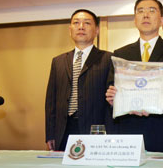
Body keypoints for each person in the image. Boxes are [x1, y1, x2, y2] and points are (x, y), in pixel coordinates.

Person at [105, 0, 163, 153]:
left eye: (152, 11)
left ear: (161, 20)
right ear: (135, 19)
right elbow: (112, 86)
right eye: (140, 11)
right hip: (128, 131)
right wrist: (112, 98)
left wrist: (149, 102)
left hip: (162, 131)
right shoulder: (120, 54)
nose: (145, 15)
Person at [45, 9, 112, 151]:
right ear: (70, 30)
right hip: (63, 130)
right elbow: (51, 101)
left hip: (95, 130)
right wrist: (50, 133)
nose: (81, 26)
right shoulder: (58, 61)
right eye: (76, 23)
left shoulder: (108, 59)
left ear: (97, 30)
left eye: (87, 23)